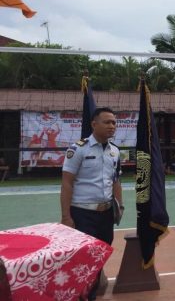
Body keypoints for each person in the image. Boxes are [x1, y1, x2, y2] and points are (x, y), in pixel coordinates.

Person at [60, 107, 123, 301]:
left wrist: (120, 206)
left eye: (113, 122)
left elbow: (116, 181)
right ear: (94, 124)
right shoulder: (78, 148)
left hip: (105, 215)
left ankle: (91, 295)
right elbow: (67, 182)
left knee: (99, 258)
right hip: (82, 214)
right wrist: (66, 217)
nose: (111, 126)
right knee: (83, 260)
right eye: (106, 122)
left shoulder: (115, 151)